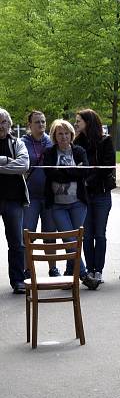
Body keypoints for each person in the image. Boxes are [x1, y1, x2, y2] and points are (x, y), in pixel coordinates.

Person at [43, 119, 90, 283]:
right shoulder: (49, 153)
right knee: (68, 239)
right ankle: (84, 274)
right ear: (54, 136)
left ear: (72, 135)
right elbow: (51, 174)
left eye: (67, 133)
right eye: (60, 134)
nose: (64, 137)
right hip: (57, 204)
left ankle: (71, 275)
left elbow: (84, 172)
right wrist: (72, 171)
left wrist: (63, 173)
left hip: (78, 202)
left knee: (76, 239)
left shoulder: (79, 151)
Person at [73, 109, 115, 287]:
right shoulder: (76, 142)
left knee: (100, 233)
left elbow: (107, 167)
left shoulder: (105, 141)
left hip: (101, 193)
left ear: (88, 122)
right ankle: (90, 269)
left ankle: (98, 269)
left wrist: (88, 180)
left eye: (79, 121)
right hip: (83, 195)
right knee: (87, 235)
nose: (76, 124)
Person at [21, 111, 59, 278]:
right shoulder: (22, 143)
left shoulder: (51, 142)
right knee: (27, 234)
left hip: (49, 195)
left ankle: (53, 269)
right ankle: (28, 270)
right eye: (37, 122)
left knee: (50, 234)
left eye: (43, 122)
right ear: (29, 125)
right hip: (30, 196)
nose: (41, 125)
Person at [0, 108, 30, 294]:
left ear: (9, 124)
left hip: (13, 200)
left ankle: (18, 280)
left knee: (16, 243)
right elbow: (15, 165)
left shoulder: (17, 143)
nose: (0, 126)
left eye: (3, 122)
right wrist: (5, 160)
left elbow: (23, 165)